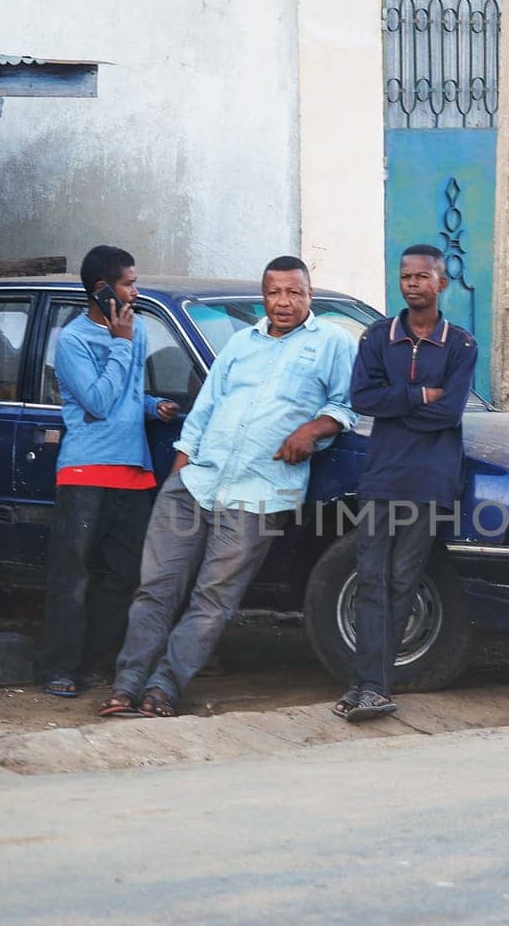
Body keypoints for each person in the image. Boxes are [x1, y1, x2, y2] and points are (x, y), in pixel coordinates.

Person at [98, 256, 356, 718]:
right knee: (155, 588)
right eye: (275, 292)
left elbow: (345, 405)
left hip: (259, 492)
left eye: (294, 292)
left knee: (213, 599)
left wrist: (311, 431)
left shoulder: (333, 343)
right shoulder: (240, 344)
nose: (283, 302)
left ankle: (164, 689)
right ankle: (127, 683)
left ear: (309, 295)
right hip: (197, 481)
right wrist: (180, 470)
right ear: (264, 296)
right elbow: (204, 409)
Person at [336, 244, 477, 722]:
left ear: (442, 284)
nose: (413, 283)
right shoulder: (377, 338)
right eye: (406, 276)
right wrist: (419, 395)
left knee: (403, 581)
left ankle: (371, 685)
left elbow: (449, 411)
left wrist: (399, 406)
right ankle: (368, 684)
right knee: (371, 579)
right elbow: (362, 398)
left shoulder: (460, 344)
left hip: (431, 480)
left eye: (422, 276)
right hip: (382, 477)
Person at [40, 246, 180, 698]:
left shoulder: (136, 333)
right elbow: (97, 403)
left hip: (132, 472)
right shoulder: (74, 341)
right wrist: (120, 344)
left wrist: (150, 406)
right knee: (73, 575)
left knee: (125, 577)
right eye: (129, 284)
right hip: (85, 472)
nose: (135, 293)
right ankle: (60, 668)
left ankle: (96, 662)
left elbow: (122, 396)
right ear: (102, 290)